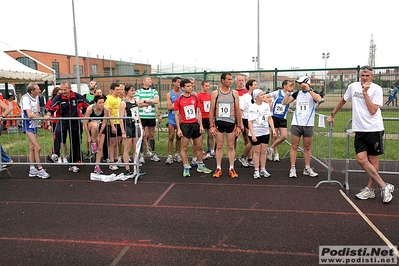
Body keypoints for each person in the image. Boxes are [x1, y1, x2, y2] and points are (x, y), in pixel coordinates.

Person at [327, 65, 394, 203]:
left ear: (372, 76)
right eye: (362, 75)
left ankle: (370, 189)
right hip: (359, 129)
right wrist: (332, 114)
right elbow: (343, 100)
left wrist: (365, 93)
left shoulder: (377, 89)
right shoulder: (352, 86)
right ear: (359, 76)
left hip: (374, 129)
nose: (364, 78)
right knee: (361, 159)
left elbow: (372, 110)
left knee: (373, 160)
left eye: (367, 75)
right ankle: (384, 186)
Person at [44, 81, 89, 173]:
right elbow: (52, 108)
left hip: (75, 122)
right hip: (63, 120)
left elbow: (87, 105)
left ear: (70, 89)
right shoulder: (58, 97)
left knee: (75, 142)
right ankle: (55, 153)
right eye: (62, 89)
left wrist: (85, 113)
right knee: (58, 132)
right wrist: (48, 114)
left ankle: (73, 163)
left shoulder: (76, 96)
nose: (63, 91)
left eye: (65, 89)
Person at [282, 76, 322, 178]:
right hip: (296, 123)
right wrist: (288, 91)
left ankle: (307, 168)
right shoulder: (296, 94)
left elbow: (319, 99)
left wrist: (308, 89)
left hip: (308, 124)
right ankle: (292, 168)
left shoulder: (313, 93)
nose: (299, 85)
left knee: (307, 147)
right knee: (294, 146)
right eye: (298, 83)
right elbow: (285, 102)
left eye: (301, 83)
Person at [174, 79, 212, 177]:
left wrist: (201, 125)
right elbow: (177, 115)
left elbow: (198, 111)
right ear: (182, 88)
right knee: (185, 148)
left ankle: (200, 164)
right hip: (185, 126)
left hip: (195, 124)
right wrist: (178, 128)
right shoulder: (179, 100)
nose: (190, 87)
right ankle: (185, 166)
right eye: (187, 86)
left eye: (191, 86)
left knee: (199, 147)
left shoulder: (195, 98)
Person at [209, 72, 243, 178]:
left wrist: (239, 125)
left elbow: (238, 110)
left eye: (231, 79)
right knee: (219, 146)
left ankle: (231, 168)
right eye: (228, 79)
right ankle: (218, 168)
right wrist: (211, 126)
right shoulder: (216, 93)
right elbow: (211, 110)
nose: (230, 81)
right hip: (219, 122)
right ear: (222, 80)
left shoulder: (234, 93)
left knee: (230, 146)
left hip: (231, 122)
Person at [20, 83, 50, 179]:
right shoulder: (26, 98)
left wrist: (39, 119)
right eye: (37, 89)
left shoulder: (36, 97)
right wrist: (42, 117)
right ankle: (40, 168)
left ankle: (32, 168)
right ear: (32, 91)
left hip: (34, 124)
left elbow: (37, 110)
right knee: (38, 147)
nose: (39, 90)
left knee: (32, 147)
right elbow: (29, 114)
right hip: (27, 124)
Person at [248, 89, 276, 179]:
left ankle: (263, 169)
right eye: (261, 95)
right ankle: (256, 170)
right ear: (256, 97)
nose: (263, 96)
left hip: (265, 132)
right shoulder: (252, 107)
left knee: (263, 152)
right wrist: (252, 134)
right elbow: (250, 122)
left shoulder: (266, 106)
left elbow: (269, 118)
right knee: (256, 152)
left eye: (263, 94)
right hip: (256, 132)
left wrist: (273, 129)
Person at [119, 84, 144, 177]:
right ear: (126, 91)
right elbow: (120, 118)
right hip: (128, 126)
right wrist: (123, 131)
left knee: (136, 148)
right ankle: (127, 169)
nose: (133, 92)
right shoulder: (123, 103)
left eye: (134, 90)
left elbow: (138, 115)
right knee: (127, 148)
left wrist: (141, 127)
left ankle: (136, 167)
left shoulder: (136, 101)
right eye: (131, 90)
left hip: (136, 126)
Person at [267, 80, 294, 162]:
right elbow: (265, 97)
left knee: (284, 136)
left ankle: (270, 149)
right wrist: (269, 104)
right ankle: (275, 153)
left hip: (283, 118)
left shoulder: (291, 94)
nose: (291, 86)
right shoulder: (277, 93)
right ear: (285, 86)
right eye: (289, 85)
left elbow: (297, 102)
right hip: (274, 117)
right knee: (274, 136)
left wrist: (292, 111)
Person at [135, 75, 161, 162]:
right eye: (148, 79)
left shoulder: (154, 91)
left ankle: (153, 153)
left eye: (150, 79)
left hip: (151, 116)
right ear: (143, 82)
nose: (150, 81)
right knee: (142, 135)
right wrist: (150, 102)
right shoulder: (138, 91)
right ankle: (141, 155)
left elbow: (156, 101)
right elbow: (138, 103)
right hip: (142, 116)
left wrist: (145, 101)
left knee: (151, 135)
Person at [84, 95, 109, 174]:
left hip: (101, 127)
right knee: (95, 125)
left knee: (100, 147)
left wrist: (99, 134)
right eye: (100, 103)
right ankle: (93, 141)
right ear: (95, 103)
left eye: (103, 103)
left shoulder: (105, 109)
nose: (102, 104)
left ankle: (97, 165)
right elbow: (85, 122)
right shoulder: (90, 109)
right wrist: (88, 135)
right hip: (91, 126)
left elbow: (104, 123)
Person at [238, 79, 258, 168]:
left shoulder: (255, 98)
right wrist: (241, 123)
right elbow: (240, 111)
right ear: (250, 86)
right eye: (255, 85)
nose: (256, 86)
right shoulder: (244, 97)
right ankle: (243, 157)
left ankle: (249, 158)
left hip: (254, 121)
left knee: (253, 141)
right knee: (251, 140)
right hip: (246, 120)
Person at [45, 87, 68, 163]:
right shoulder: (50, 101)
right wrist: (49, 124)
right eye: (59, 93)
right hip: (54, 122)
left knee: (63, 141)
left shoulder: (63, 101)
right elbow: (48, 113)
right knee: (56, 139)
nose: (60, 95)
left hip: (62, 122)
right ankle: (56, 156)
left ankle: (64, 157)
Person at [104, 83, 123, 170]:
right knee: (112, 143)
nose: (119, 91)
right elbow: (109, 114)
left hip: (119, 123)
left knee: (118, 141)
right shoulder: (109, 99)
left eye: (119, 89)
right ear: (112, 90)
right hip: (112, 124)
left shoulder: (119, 99)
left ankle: (116, 159)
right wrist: (112, 125)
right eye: (117, 90)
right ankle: (111, 161)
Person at [165, 76, 182, 165]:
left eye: (180, 82)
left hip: (180, 118)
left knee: (179, 137)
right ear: (174, 83)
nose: (179, 83)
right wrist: (178, 106)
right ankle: (169, 155)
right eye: (178, 82)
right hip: (172, 117)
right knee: (171, 136)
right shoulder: (169, 94)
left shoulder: (182, 93)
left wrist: (174, 105)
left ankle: (177, 154)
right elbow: (169, 107)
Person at [197, 80, 214, 158]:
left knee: (211, 135)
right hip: (202, 117)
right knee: (202, 135)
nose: (207, 87)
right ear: (202, 86)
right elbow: (199, 108)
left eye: (208, 86)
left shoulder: (210, 95)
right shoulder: (199, 96)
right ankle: (202, 151)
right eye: (206, 86)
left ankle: (212, 150)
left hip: (209, 117)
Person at [83, 80, 98, 160]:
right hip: (88, 117)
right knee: (88, 135)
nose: (90, 84)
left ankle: (96, 150)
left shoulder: (99, 96)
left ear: (96, 86)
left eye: (92, 83)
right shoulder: (85, 95)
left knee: (96, 135)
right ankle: (89, 152)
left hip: (97, 117)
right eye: (90, 83)